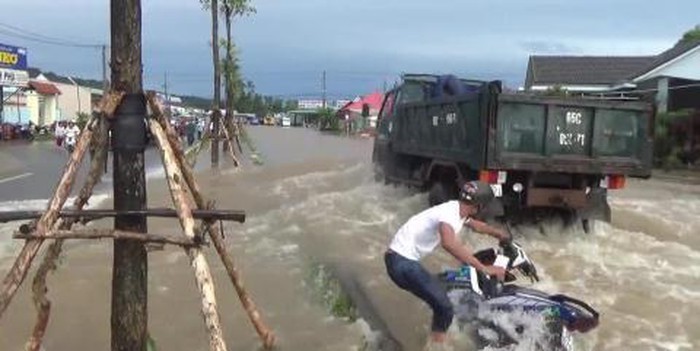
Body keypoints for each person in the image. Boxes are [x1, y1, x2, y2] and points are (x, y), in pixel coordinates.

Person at [384, 180, 511, 349]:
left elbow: (475, 225)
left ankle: (437, 335)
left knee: (446, 289)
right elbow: (448, 243)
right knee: (444, 307)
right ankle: (436, 347)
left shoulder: (457, 210)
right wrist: (483, 268)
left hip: (399, 261)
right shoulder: (448, 216)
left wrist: (499, 234)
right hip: (402, 263)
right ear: (479, 206)